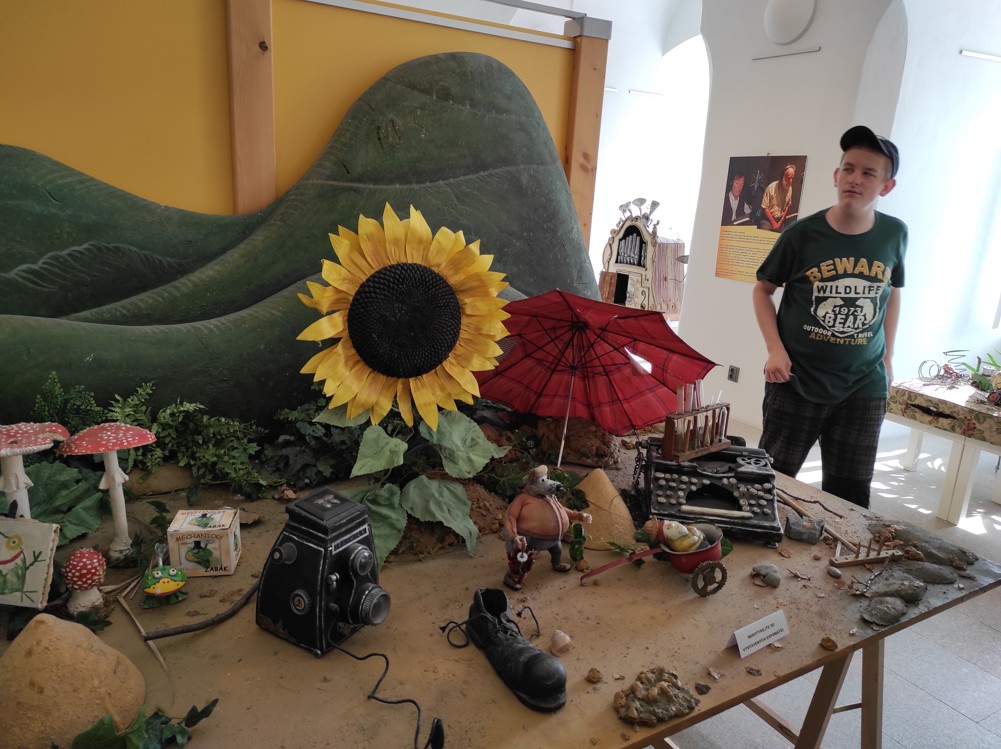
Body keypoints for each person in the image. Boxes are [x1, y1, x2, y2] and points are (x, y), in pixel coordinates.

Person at [752, 125, 906, 508]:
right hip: (797, 380)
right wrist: (774, 350)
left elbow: (893, 293)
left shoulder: (895, 234)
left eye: (868, 173)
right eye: (849, 169)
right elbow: (762, 290)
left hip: (863, 387)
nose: (855, 179)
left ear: (886, 186)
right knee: (769, 483)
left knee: (850, 496)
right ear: (836, 175)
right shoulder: (802, 235)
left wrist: (888, 357)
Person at [758, 164, 797, 231]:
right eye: (789, 177)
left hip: (780, 220)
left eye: (792, 178)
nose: (791, 181)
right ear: (782, 176)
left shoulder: (790, 188)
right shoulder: (771, 188)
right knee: (765, 233)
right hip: (767, 220)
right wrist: (773, 223)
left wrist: (780, 222)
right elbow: (765, 208)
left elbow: (787, 206)